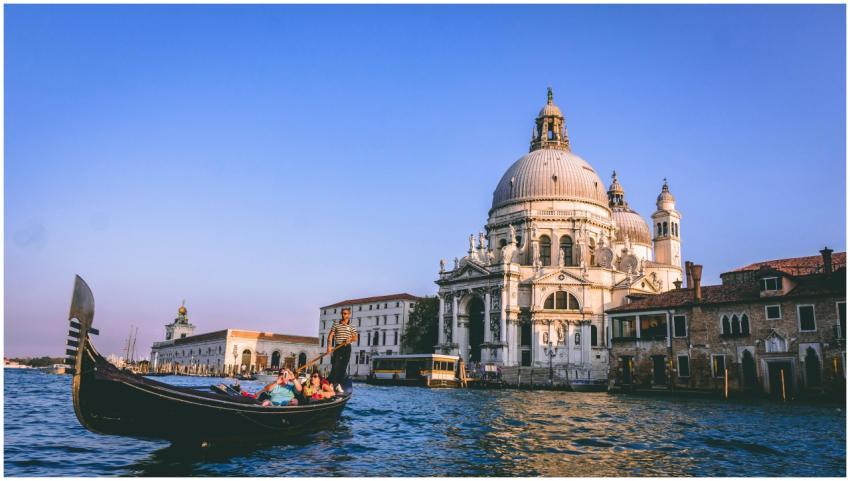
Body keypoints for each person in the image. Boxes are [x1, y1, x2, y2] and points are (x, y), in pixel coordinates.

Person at [326, 306, 358, 391]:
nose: (343, 315)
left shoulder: (352, 326)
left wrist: (350, 339)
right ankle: (333, 383)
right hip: (338, 347)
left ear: (349, 315)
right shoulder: (336, 324)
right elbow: (330, 336)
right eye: (342, 314)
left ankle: (338, 384)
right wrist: (329, 347)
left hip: (347, 347)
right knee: (336, 366)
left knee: (343, 367)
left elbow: (355, 338)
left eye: (345, 314)